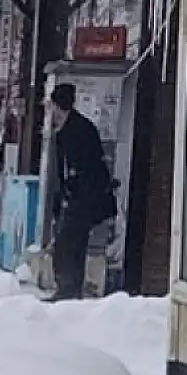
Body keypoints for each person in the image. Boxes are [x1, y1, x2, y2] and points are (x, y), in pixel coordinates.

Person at [47, 83, 118, 302]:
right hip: (77, 196)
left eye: (52, 106)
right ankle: (70, 289)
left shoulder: (79, 131)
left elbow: (87, 167)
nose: (50, 111)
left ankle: (67, 288)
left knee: (66, 243)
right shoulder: (67, 129)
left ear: (60, 107)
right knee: (72, 242)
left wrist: (73, 189)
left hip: (85, 197)